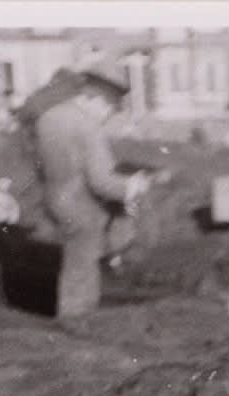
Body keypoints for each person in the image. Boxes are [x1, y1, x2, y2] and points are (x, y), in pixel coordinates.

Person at [27, 47, 144, 319]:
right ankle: (77, 319)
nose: (108, 116)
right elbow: (102, 182)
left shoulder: (50, 117)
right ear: (99, 99)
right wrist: (132, 187)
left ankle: (70, 313)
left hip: (55, 200)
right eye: (111, 108)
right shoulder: (88, 127)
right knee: (83, 266)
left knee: (74, 261)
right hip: (82, 206)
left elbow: (40, 163)